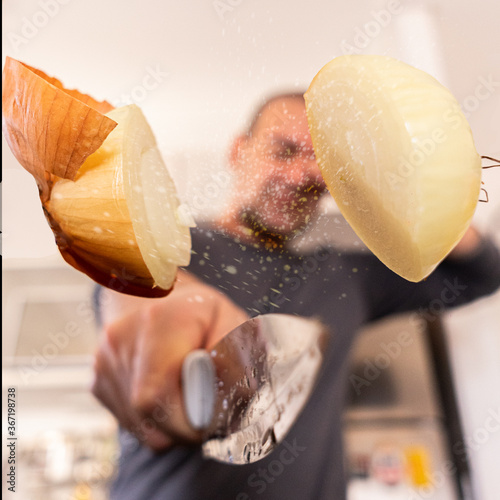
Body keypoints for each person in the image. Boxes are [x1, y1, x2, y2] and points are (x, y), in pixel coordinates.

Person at [92, 92, 500, 500]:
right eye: (283, 150)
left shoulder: (346, 276)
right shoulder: (172, 243)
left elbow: (481, 274)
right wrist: (161, 301)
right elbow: (131, 291)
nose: (300, 175)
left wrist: (402, 189)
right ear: (239, 150)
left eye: (321, 165)